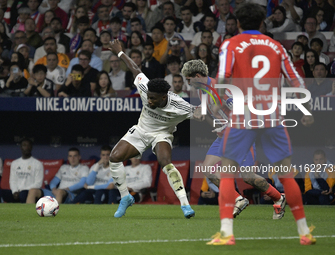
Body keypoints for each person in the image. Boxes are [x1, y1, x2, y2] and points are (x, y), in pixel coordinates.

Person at [209, 2, 315, 245]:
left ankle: (227, 234)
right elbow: (297, 81)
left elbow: (222, 78)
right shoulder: (276, 46)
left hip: (242, 117)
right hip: (272, 116)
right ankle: (304, 232)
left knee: (226, 175)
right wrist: (306, 110)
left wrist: (215, 103)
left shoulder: (231, 44)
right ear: (261, 22)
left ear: (236, 23)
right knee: (287, 176)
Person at [182, 59, 287, 218]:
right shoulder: (202, 90)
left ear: (197, 76)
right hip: (224, 137)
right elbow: (207, 108)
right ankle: (238, 199)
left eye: (189, 80)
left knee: (248, 177)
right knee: (207, 169)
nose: (188, 83)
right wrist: (198, 111)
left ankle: (279, 197)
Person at [108, 39, 196, 219]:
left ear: (164, 97)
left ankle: (185, 204)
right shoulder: (145, 88)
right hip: (141, 130)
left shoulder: (180, 105)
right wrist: (120, 52)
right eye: (148, 97)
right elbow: (135, 69)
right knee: (114, 157)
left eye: (153, 99)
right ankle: (125, 198)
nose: (149, 101)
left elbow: (202, 114)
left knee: (166, 162)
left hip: (161, 134)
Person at [0, 138, 43, 203]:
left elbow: (38, 183)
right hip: (16, 192)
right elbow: (12, 180)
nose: (26, 147)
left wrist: (22, 190)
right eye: (24, 145)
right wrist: (15, 192)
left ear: (31, 147)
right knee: (2, 192)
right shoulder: (15, 163)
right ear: (21, 147)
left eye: (28, 145)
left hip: (28, 192)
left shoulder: (37, 164)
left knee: (23, 194)